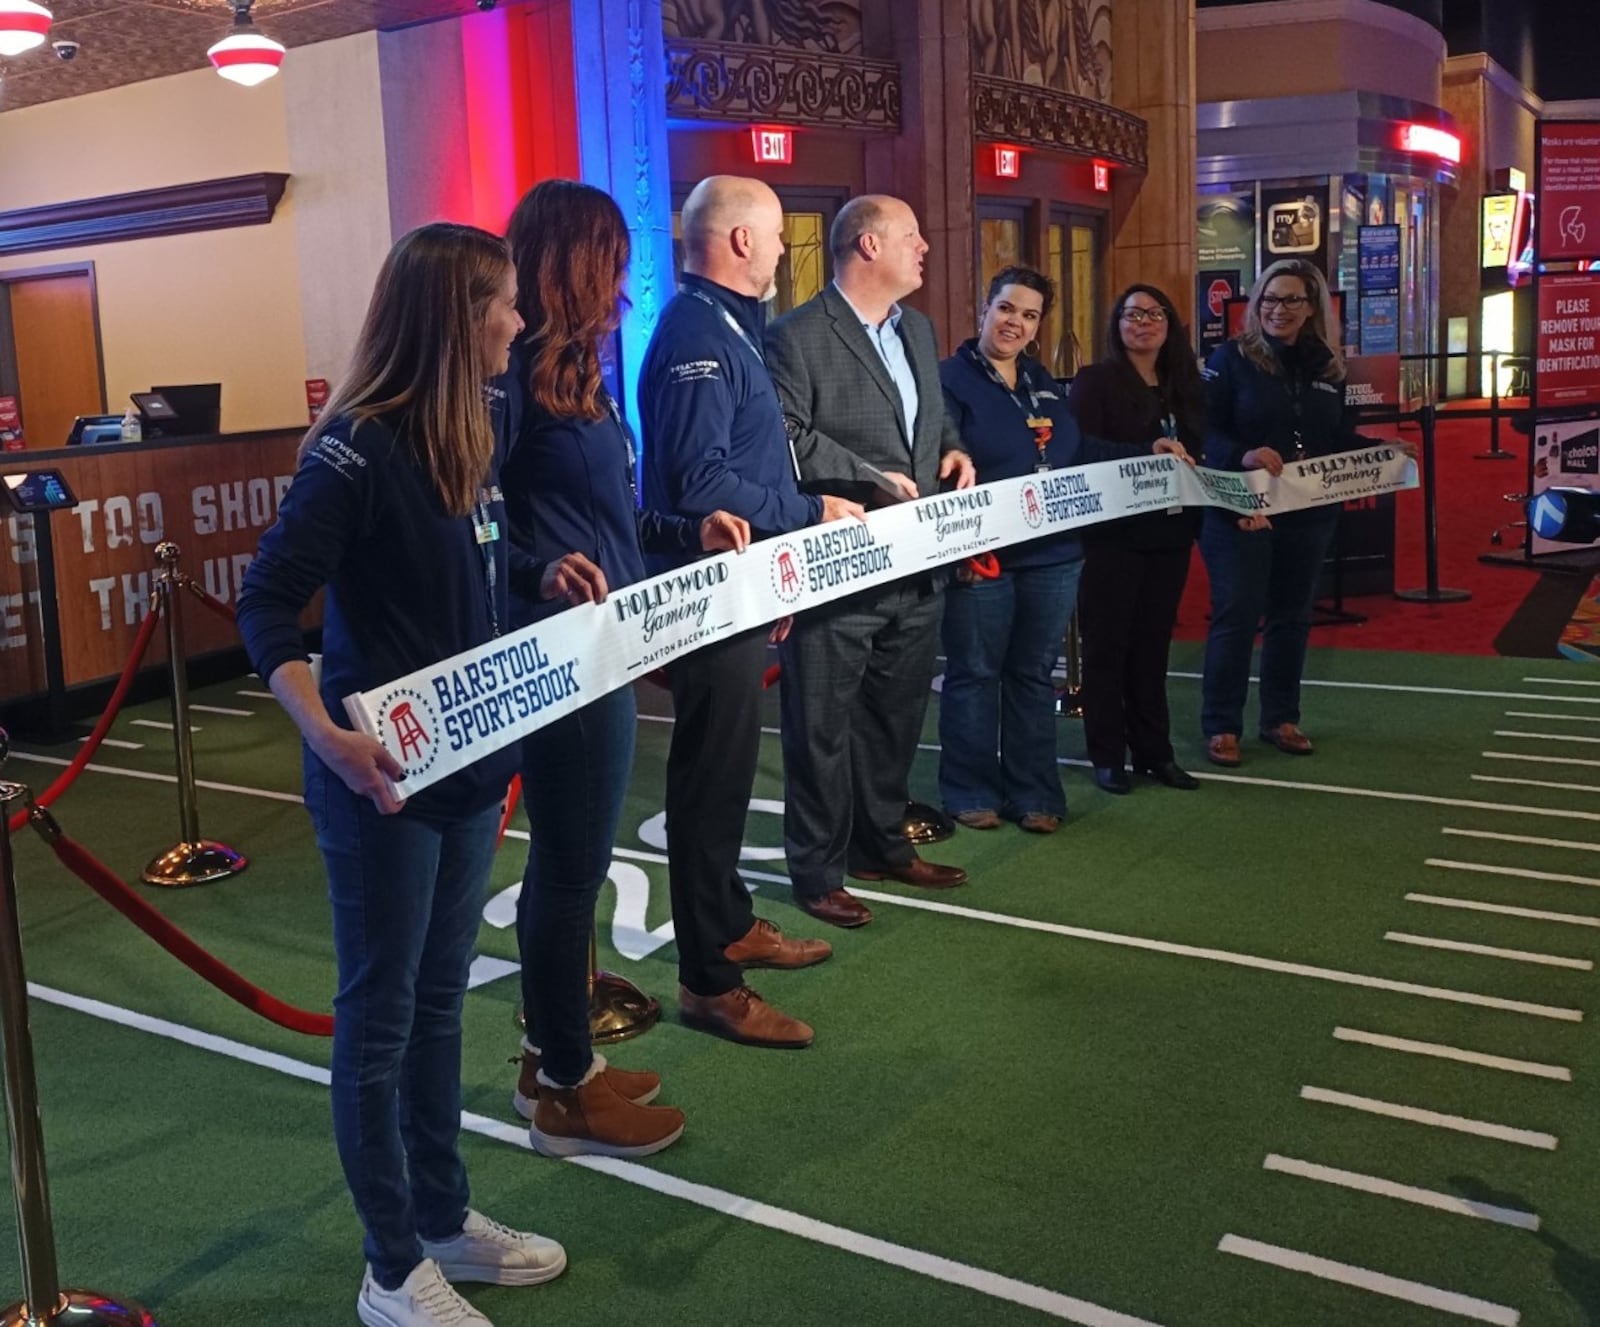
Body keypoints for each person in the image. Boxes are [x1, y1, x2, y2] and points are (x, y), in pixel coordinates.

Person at [237, 223, 564, 1327]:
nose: (520, 324)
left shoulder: (476, 421)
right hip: (380, 780)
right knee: (379, 1021)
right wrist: (326, 731)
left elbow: (466, 559)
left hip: (468, 768)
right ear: (454, 315)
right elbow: (267, 605)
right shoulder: (356, 447)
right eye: (504, 305)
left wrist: (535, 567)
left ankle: (441, 1219)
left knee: (436, 1006)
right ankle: (388, 1267)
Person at [499, 179, 745, 1150]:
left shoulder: (581, 373)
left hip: (607, 640)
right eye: (613, 258)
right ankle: (563, 1081)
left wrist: (688, 528)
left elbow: (608, 521)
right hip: (554, 649)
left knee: (577, 862)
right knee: (567, 868)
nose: (627, 280)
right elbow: (479, 525)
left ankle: (556, 1057)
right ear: (574, 262)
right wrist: (536, 570)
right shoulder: (509, 374)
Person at [640, 176, 857, 1046]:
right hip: (705, 596)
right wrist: (813, 514)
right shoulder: (698, 332)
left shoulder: (728, 324)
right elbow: (701, 486)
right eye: (773, 238)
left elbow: (743, 469)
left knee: (726, 775)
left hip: (742, 582)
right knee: (710, 779)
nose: (780, 253)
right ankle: (708, 980)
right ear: (736, 241)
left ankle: (728, 921)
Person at [765, 194, 976, 929]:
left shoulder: (917, 328)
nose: (926, 247)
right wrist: (870, 475)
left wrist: (951, 446)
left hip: (918, 568)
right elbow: (786, 435)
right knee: (820, 726)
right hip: (840, 567)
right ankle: (817, 870)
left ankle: (880, 843)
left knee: (894, 718)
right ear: (866, 245)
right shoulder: (794, 335)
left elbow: (929, 413)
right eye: (913, 236)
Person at [940, 266, 1191, 832]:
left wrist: (1143, 451)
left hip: (1053, 553)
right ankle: (970, 789)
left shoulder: (1043, 382)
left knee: (1031, 674)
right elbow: (943, 461)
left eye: (1029, 315)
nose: (1015, 323)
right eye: (1006, 309)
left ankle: (1034, 794)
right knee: (976, 672)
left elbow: (1076, 449)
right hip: (985, 554)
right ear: (985, 308)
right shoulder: (948, 380)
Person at [1199, 257, 1354, 766]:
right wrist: (1241, 454)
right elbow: (1202, 432)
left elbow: (1338, 439)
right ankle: (1221, 725)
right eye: (1269, 297)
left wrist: (1386, 452)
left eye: (1291, 299)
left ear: (1312, 307)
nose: (1277, 308)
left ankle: (1280, 718)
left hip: (1308, 511)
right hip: (1239, 508)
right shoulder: (1230, 359)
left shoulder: (1329, 366)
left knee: (1291, 616)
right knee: (1238, 614)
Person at [1069, 283, 1205, 795]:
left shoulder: (1185, 383)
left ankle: (1155, 753)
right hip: (1114, 534)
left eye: (1154, 314)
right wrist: (1144, 450)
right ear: (1116, 324)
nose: (1143, 322)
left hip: (1171, 532)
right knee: (1108, 646)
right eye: (1131, 314)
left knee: (1152, 648)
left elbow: (1204, 449)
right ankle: (1108, 755)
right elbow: (1078, 447)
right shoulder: (1096, 381)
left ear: (1170, 324)